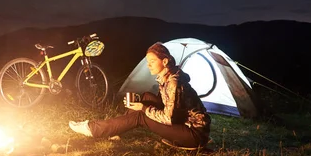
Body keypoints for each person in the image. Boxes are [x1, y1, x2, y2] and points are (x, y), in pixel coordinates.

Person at [69, 42, 211, 148]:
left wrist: (142, 109)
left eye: (152, 61)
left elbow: (168, 118)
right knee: (147, 96)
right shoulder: (167, 77)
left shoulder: (173, 82)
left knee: (140, 116)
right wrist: (139, 103)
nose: (149, 65)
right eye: (147, 62)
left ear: (165, 61)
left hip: (194, 133)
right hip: (183, 122)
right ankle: (115, 130)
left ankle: (93, 128)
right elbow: (168, 106)